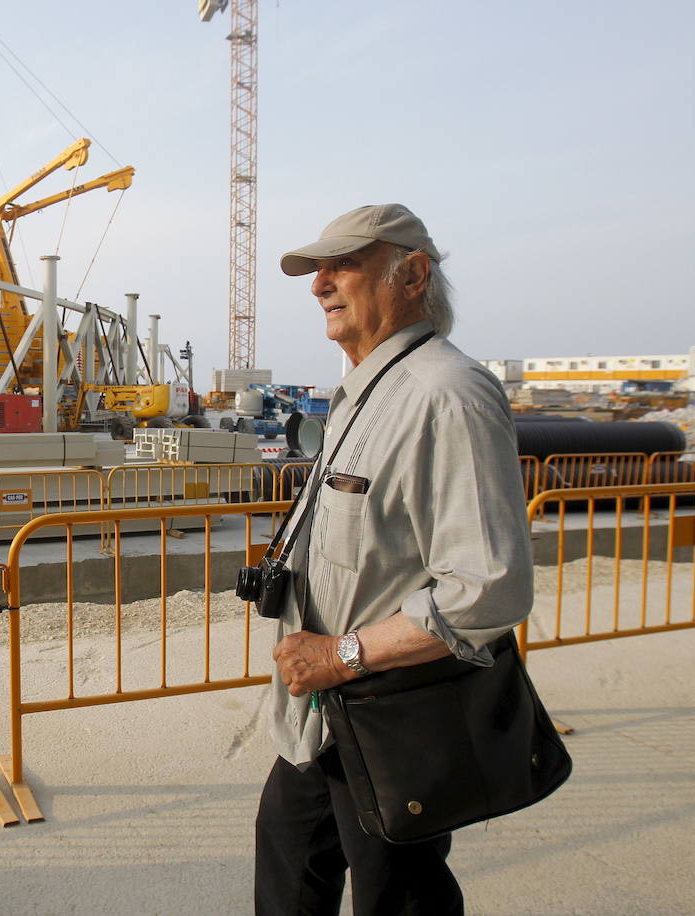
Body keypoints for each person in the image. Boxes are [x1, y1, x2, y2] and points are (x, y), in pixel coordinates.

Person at [256, 204, 533, 914]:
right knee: (288, 868)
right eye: (316, 270)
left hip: (391, 716)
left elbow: (489, 589)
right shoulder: (360, 393)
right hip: (320, 718)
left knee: (396, 896)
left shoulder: (448, 394)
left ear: (412, 275)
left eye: (343, 264)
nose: (321, 284)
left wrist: (341, 653)